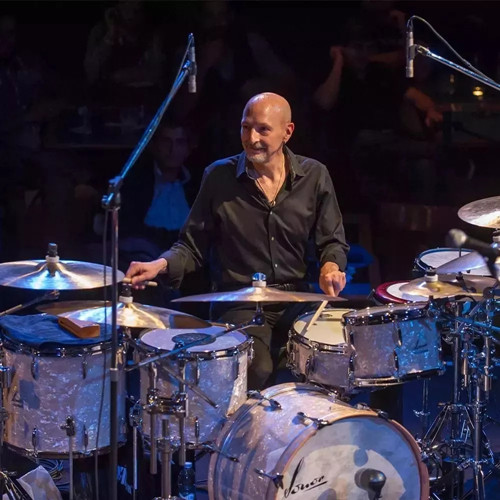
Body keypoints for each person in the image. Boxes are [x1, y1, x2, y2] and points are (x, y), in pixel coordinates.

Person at [126, 92, 349, 389]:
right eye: (246, 127)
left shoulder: (315, 175)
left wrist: (330, 267)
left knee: (335, 356)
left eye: (263, 129)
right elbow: (191, 246)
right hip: (239, 301)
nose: (251, 138)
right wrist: (160, 265)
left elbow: (332, 241)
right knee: (257, 367)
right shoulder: (219, 177)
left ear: (287, 132)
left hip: (296, 298)